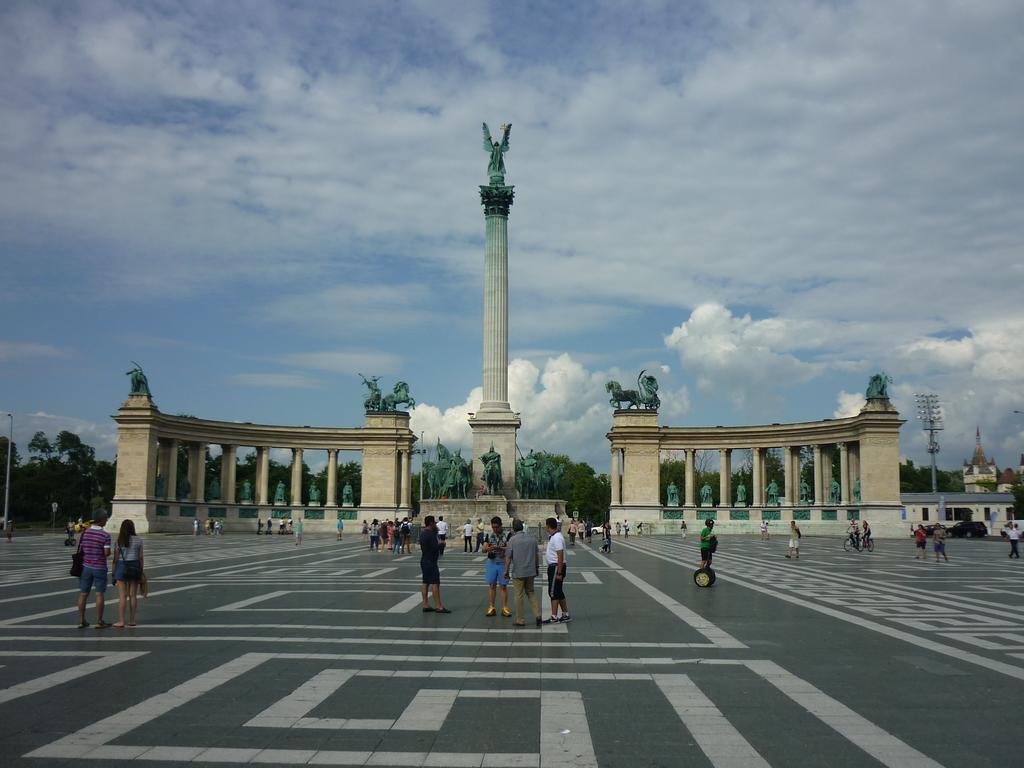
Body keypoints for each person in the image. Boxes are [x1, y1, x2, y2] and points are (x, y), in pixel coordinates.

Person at [76, 514, 112, 628]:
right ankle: (99, 621)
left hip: (86, 566)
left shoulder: (85, 533)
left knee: (83, 594)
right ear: (101, 520)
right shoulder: (105, 535)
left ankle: (82, 620)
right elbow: (106, 553)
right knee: (99, 594)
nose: (106, 521)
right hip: (99, 567)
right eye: (106, 519)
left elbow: (81, 549)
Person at [504, 518, 541, 627]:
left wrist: (506, 571)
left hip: (518, 572)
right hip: (531, 571)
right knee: (531, 593)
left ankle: (520, 619)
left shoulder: (512, 540)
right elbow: (536, 555)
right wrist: (537, 568)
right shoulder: (532, 539)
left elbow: (508, 557)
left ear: (513, 528)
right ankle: (537, 615)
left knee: (518, 595)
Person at [111, 519, 144, 628]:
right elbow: (141, 558)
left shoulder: (119, 541)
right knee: (133, 595)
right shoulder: (138, 540)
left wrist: (113, 573)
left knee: (122, 596)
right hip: (134, 567)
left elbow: (115, 559)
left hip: (121, 566)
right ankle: (132, 620)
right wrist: (141, 571)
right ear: (133, 528)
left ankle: (121, 621)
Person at [419, 515, 449, 613]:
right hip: (431, 561)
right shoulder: (431, 534)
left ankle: (425, 604)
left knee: (425, 582)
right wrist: (441, 544)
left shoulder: (423, 533)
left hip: (424, 560)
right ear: (431, 523)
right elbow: (434, 548)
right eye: (434, 523)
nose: (436, 524)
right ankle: (438, 606)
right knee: (435, 583)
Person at [482, 516, 511, 617]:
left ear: (501, 525)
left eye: (497, 527)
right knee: (492, 586)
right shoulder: (489, 535)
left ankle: (504, 607)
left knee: (503, 586)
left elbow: (510, 548)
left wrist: (500, 548)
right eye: (493, 527)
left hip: (503, 562)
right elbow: (483, 549)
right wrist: (489, 548)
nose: (495, 529)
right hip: (492, 562)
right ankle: (491, 607)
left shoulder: (507, 534)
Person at [543, 517, 570, 624]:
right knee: (559, 592)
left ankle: (554, 616)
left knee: (553, 592)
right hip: (555, 567)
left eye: (546, 525)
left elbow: (560, 554)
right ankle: (565, 614)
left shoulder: (557, 538)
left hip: (556, 567)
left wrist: (559, 572)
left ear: (548, 526)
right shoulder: (554, 536)